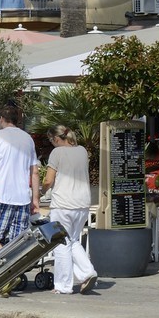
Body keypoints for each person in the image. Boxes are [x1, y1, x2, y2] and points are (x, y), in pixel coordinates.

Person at [0, 106, 39, 254]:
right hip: (23, 198)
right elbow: (35, 172)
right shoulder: (28, 138)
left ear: (1, 119)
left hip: (2, 196)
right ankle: (13, 272)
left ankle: (6, 268)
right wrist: (35, 199)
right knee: (16, 240)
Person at [44, 126, 97, 294]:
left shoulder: (57, 153)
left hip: (63, 203)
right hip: (82, 202)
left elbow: (48, 180)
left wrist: (40, 192)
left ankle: (63, 285)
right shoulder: (82, 151)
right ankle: (87, 272)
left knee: (61, 243)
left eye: (51, 141)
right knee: (72, 240)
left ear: (56, 139)